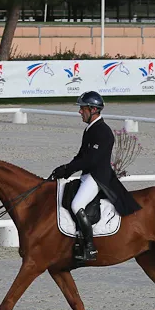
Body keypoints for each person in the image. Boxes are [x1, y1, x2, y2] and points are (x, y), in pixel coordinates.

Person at [49, 91, 142, 261]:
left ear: (93, 109)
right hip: (88, 174)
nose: (80, 112)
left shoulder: (103, 132)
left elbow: (91, 160)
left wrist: (68, 168)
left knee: (77, 205)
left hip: (98, 177)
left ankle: (89, 247)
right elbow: (81, 156)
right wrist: (65, 170)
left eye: (82, 108)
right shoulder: (90, 129)